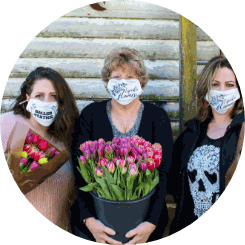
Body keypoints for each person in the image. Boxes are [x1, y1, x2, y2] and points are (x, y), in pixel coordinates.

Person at [70, 47, 173, 244]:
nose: (123, 82)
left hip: (145, 227)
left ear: (141, 81)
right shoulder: (90, 115)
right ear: (107, 81)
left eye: (130, 76)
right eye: (116, 77)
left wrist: (150, 223)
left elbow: (164, 173)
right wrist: (89, 220)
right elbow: (79, 169)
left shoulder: (157, 118)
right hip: (94, 228)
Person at [168, 56, 244, 235]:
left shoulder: (242, 132)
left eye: (229, 85)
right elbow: (173, 181)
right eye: (215, 84)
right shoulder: (191, 132)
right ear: (206, 89)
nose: (222, 90)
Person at [0, 67, 79, 231]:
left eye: (53, 96)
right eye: (39, 96)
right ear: (28, 98)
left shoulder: (65, 140)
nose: (46, 103)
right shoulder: (8, 124)